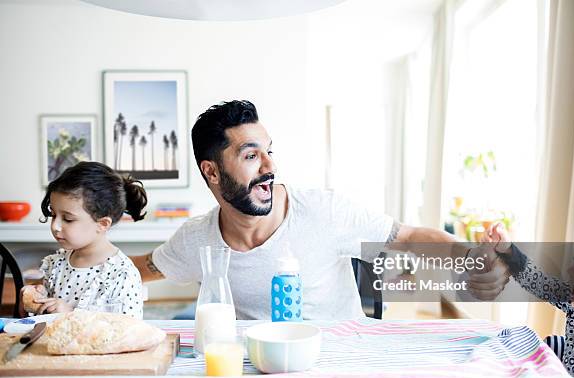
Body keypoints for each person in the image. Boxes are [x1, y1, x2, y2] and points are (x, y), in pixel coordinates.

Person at [131, 100, 509, 319]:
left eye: (269, 151)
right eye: (250, 155)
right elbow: (136, 270)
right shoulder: (198, 239)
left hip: (342, 368)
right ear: (211, 172)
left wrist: (470, 255)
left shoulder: (324, 210)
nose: (269, 167)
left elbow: (406, 237)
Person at [483, 220, 574, 378]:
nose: (569, 270)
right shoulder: (573, 301)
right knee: (547, 345)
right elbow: (537, 281)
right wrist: (508, 250)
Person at [19, 161, 148, 319]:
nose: (55, 226)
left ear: (102, 224)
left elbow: (128, 333)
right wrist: (37, 297)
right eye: (53, 215)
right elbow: (36, 319)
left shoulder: (121, 275)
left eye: (68, 219)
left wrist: (70, 315)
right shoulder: (55, 264)